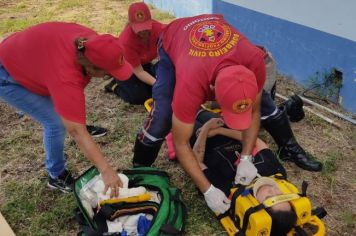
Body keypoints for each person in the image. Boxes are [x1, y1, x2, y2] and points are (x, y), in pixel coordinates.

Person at [133, 14, 266, 214]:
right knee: (163, 115)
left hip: (212, 26)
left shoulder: (255, 61)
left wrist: (246, 157)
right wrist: (208, 189)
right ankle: (139, 165)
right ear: (211, 90)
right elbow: (181, 143)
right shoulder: (191, 82)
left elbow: (255, 111)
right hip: (175, 36)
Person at [0, 22, 132, 196]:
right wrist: (106, 170)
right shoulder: (66, 76)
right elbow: (76, 132)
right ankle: (56, 175)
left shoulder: (92, 44)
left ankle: (75, 122)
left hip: (29, 55)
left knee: (70, 115)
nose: (110, 77)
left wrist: (77, 125)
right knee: (56, 123)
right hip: (6, 72)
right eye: (108, 74)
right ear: (90, 67)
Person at [191, 110, 297, 235]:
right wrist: (219, 130)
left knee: (183, 113)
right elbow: (256, 141)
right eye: (280, 195)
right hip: (228, 131)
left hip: (199, 141)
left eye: (269, 197)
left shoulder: (226, 194)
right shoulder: (275, 172)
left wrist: (205, 130)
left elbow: (196, 162)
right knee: (200, 110)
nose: (273, 189)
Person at [105, 2, 165, 105]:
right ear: (131, 24)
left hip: (142, 63)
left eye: (146, 27)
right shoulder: (126, 41)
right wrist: (159, 84)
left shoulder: (160, 29)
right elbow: (139, 72)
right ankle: (115, 85)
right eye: (139, 28)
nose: (143, 32)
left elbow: (165, 56)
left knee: (156, 88)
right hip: (125, 68)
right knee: (139, 97)